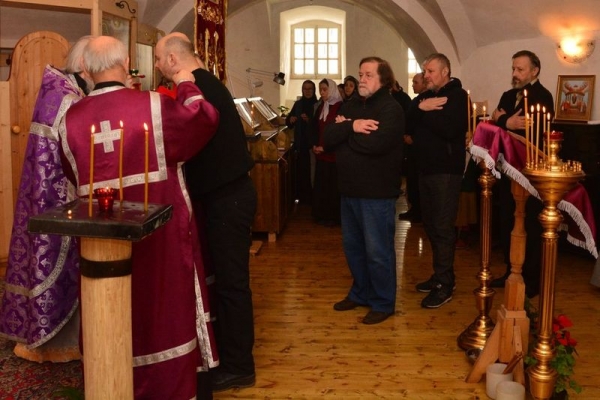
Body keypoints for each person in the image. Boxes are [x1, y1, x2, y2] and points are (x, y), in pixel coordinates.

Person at [58, 35, 220, 399]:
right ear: (128, 60)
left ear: (85, 69)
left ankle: (108, 383)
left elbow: (73, 173)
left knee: (113, 310)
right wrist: (188, 85)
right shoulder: (154, 106)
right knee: (162, 306)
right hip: (162, 235)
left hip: (101, 241)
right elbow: (203, 119)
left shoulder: (70, 120)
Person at [154, 32, 258, 393]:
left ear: (171, 59)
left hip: (228, 199)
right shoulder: (205, 83)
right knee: (225, 282)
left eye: (157, 59)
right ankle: (229, 357)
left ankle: (240, 365)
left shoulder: (195, 89)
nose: (155, 66)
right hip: (226, 196)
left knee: (232, 284)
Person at [0, 36, 94, 363]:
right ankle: (54, 344)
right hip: (57, 194)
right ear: (85, 65)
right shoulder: (66, 97)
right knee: (58, 260)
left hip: (49, 193)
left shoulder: (62, 90)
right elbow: (72, 150)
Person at [325, 56, 404, 325]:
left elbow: (376, 146)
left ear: (383, 79)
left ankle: (383, 302)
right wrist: (353, 126)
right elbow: (327, 139)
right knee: (354, 248)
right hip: (349, 190)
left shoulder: (390, 109)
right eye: (361, 74)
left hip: (377, 194)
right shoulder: (350, 105)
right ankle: (360, 293)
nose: (362, 79)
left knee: (378, 251)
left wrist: (344, 135)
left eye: (368, 75)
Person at [490, 50, 554, 297]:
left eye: (520, 69)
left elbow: (533, 132)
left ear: (535, 71)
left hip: (530, 172)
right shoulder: (508, 95)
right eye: (513, 69)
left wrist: (502, 120)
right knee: (507, 221)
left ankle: (532, 279)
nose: (515, 74)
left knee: (529, 224)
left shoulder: (542, 96)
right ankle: (510, 271)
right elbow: (497, 123)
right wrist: (505, 121)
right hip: (507, 170)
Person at [409, 53, 468, 308]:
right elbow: (408, 122)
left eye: (430, 71)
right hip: (425, 169)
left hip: (446, 172)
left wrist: (424, 114)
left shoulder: (457, 96)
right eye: (425, 71)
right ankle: (441, 276)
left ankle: (445, 284)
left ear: (445, 71)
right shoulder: (425, 97)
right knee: (431, 226)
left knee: (443, 229)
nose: (426, 75)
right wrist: (420, 108)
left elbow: (450, 129)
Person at [310, 78, 343, 225]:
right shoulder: (321, 106)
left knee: (332, 187)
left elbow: (339, 132)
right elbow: (315, 127)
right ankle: (321, 214)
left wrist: (326, 147)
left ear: (332, 89)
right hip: (321, 153)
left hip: (333, 154)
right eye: (320, 89)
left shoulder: (340, 107)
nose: (322, 93)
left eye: (325, 89)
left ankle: (333, 216)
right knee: (322, 185)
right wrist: (314, 145)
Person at [398, 72, 427, 222]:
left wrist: (413, 138)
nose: (412, 84)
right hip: (410, 146)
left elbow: (424, 124)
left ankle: (419, 211)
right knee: (411, 179)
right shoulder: (416, 100)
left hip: (419, 147)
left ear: (424, 83)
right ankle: (413, 208)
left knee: (417, 180)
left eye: (416, 82)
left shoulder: (427, 101)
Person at [286, 80, 318, 205]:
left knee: (311, 172)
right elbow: (288, 122)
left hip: (311, 145)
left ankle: (311, 199)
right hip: (300, 144)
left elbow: (318, 125)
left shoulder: (317, 104)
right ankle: (301, 198)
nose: (308, 91)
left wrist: (309, 120)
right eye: (305, 89)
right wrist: (291, 119)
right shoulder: (298, 104)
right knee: (301, 172)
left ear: (314, 90)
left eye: (310, 89)